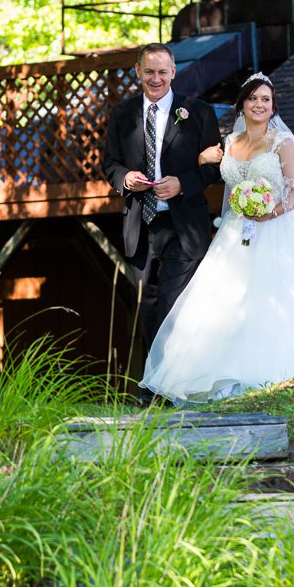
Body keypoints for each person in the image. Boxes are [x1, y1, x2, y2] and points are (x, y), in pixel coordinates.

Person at [140, 72, 294, 404]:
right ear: (242, 105)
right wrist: (200, 158)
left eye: (266, 99)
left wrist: (270, 212)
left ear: (273, 106)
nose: (259, 105)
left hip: (278, 230)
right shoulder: (229, 143)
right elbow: (207, 168)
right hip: (236, 233)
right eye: (253, 98)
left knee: (275, 297)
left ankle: (282, 375)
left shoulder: (283, 143)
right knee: (226, 300)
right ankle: (222, 377)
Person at [101, 43, 223, 369]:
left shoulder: (198, 112)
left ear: (173, 72)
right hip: (140, 225)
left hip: (183, 226)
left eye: (162, 72)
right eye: (149, 72)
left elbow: (214, 167)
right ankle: (156, 379)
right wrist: (126, 179)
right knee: (148, 305)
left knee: (171, 303)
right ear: (137, 72)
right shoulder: (122, 114)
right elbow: (109, 164)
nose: (156, 79)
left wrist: (182, 183)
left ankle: (163, 380)